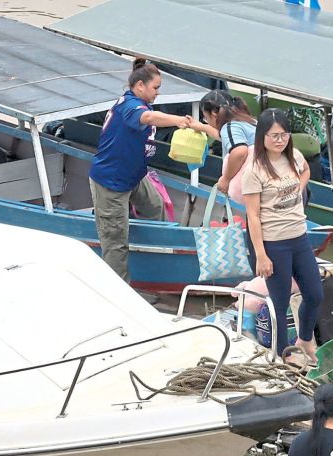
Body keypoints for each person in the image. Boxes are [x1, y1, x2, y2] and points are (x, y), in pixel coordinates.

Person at [89, 58, 207, 296]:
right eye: (156, 88)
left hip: (135, 177)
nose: (158, 93)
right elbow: (148, 119)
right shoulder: (130, 106)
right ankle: (119, 293)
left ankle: (157, 261)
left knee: (157, 208)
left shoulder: (142, 103)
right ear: (140, 86)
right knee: (115, 241)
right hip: (111, 183)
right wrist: (179, 122)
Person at [242, 108, 323, 365]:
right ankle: (280, 356)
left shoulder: (295, 157)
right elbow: (253, 216)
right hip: (274, 243)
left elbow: (306, 170)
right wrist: (261, 255)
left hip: (299, 237)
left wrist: (298, 189)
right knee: (279, 303)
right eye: (273, 135)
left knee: (315, 294)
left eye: (284, 135)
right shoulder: (254, 170)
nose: (279, 140)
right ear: (262, 137)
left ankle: (305, 338)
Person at [198, 90, 257, 201]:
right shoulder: (249, 121)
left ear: (214, 115)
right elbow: (224, 137)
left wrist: (226, 179)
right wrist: (201, 127)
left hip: (255, 185)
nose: (207, 121)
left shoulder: (229, 127)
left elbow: (239, 152)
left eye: (206, 118)